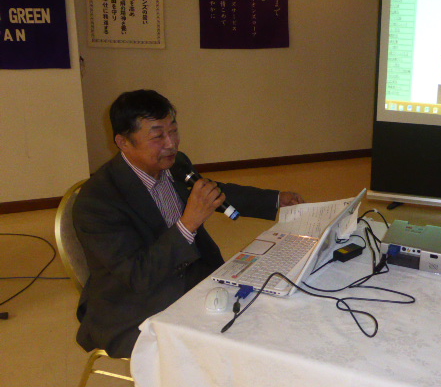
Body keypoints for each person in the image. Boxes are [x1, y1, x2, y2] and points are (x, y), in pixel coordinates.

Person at [72, 89, 304, 358]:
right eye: (158, 136)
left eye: (173, 131)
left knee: (271, 304)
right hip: (133, 303)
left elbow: (212, 191)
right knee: (225, 346)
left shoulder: (175, 164)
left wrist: (276, 200)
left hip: (194, 274)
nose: (171, 144)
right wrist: (188, 224)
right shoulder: (98, 201)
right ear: (123, 142)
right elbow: (137, 275)